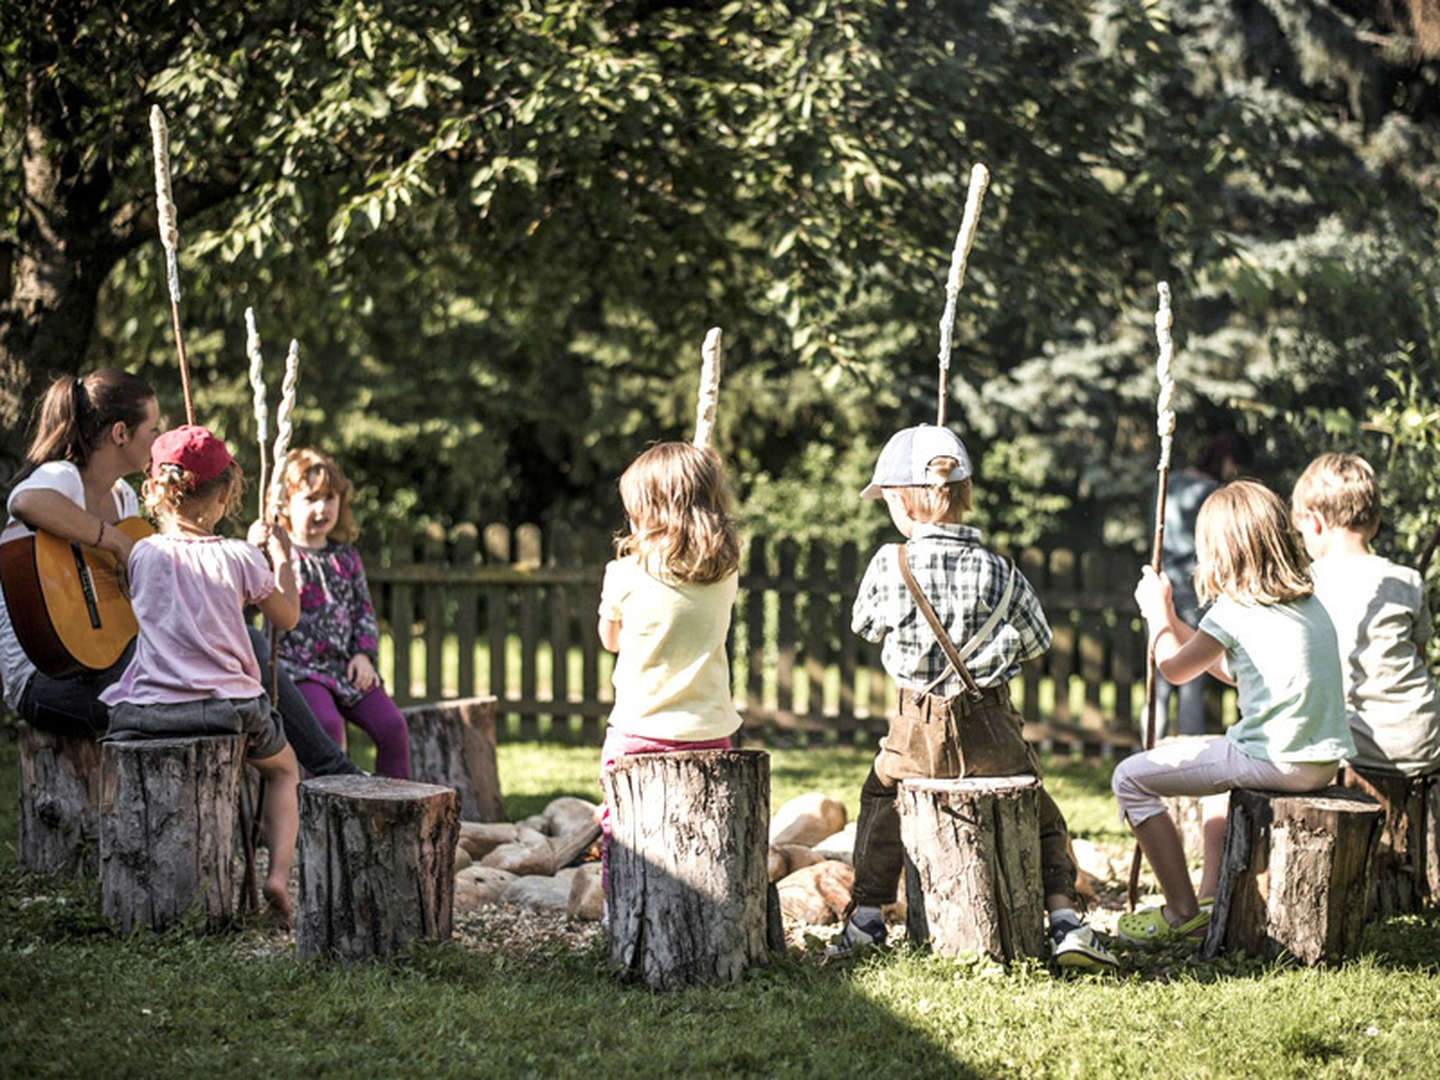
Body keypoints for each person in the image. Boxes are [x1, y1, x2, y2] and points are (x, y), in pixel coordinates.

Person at [831, 424, 1117, 969]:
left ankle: (867, 917)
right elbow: (1038, 640)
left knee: (882, 800)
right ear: (964, 495)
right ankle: (1065, 919)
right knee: (1041, 810)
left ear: (901, 502)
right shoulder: (1001, 570)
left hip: (914, 730)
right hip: (992, 730)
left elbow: (864, 626)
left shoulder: (890, 565)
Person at [0, 371, 360, 776]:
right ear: (120, 433)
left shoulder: (124, 499)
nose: (157, 438)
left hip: (109, 659)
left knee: (244, 649)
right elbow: (25, 501)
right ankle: (328, 774)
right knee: (213, 684)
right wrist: (114, 542)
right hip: (48, 680)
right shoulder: (63, 477)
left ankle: (328, 773)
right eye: (152, 428)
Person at [1119, 479, 1353, 942]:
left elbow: (1173, 669)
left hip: (1274, 761)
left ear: (1222, 551)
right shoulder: (1305, 604)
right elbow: (1228, 668)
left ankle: (1180, 912)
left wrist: (1156, 613)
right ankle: (1210, 897)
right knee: (1214, 782)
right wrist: (1177, 622)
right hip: (1320, 763)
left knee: (1128, 780)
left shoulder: (1235, 609)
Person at [100, 425, 301, 924]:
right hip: (229, 707)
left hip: (147, 708)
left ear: (155, 493)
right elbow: (288, 617)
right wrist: (282, 556)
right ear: (229, 493)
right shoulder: (239, 556)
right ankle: (278, 875)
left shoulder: (142, 552)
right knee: (284, 771)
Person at [595, 442, 743, 884]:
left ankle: (619, 902)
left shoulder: (624, 572)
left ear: (649, 510)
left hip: (639, 728)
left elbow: (610, 640)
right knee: (704, 829)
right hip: (710, 729)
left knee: (619, 825)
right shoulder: (727, 572)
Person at [1290, 453, 1440, 777]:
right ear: (1374, 521)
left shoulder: (1306, 586)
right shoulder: (1407, 580)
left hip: (1357, 747)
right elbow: (1419, 656)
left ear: (1314, 522)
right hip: (1424, 742)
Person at [272, 448, 409, 778]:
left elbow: (363, 612)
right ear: (286, 504)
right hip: (298, 669)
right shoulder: (278, 555)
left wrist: (363, 655)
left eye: (330, 498)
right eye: (310, 499)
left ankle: (394, 809)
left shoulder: (345, 557)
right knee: (326, 727)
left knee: (393, 727)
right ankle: (328, 813)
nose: (322, 508)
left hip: (343, 666)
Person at [1155, 431, 1253, 736]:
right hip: (1197, 584)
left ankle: (1151, 740)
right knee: (1192, 673)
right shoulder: (1212, 493)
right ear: (1225, 460)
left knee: (1160, 665)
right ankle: (1188, 739)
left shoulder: (1168, 484)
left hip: (1164, 582)